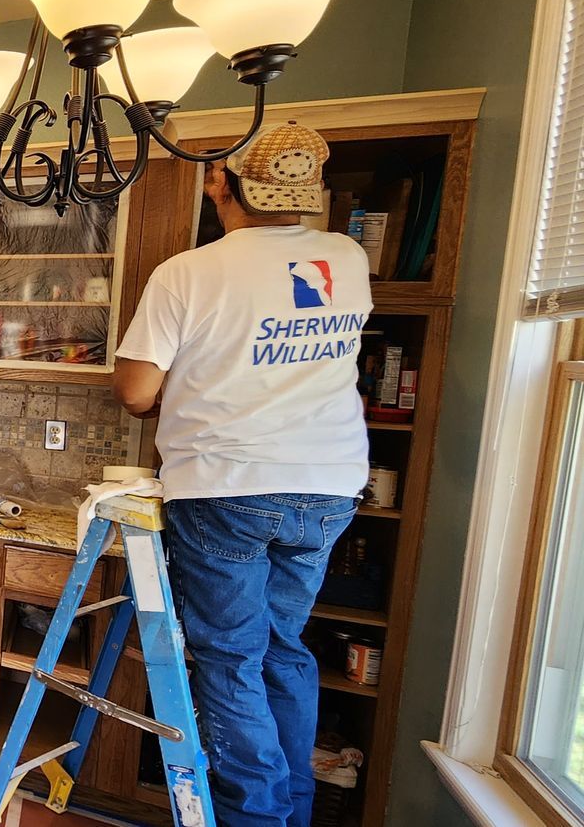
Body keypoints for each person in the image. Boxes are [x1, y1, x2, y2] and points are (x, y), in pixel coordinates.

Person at [113, 122, 370, 827]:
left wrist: (188, 379)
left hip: (227, 485)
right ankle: (293, 806)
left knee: (229, 660)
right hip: (328, 486)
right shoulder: (347, 256)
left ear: (219, 181)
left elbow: (136, 391)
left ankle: (254, 817)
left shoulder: (189, 272)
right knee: (280, 648)